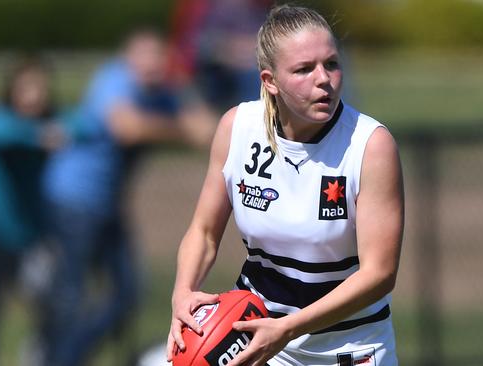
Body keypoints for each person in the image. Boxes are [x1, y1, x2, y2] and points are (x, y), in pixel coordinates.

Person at [167, 5, 404, 366]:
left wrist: (288, 329)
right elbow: (203, 232)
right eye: (304, 69)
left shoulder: (370, 144)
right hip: (256, 333)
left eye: (332, 64)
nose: (323, 79)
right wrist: (183, 294)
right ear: (269, 81)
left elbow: (379, 274)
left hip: (348, 347)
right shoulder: (238, 127)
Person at [40, 28, 215, 366]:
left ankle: (71, 352)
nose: (152, 64)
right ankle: (55, 356)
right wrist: (178, 126)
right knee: (71, 293)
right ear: (128, 57)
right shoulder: (115, 79)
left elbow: (207, 129)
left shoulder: (161, 92)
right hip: (73, 200)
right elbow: (127, 127)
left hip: (107, 206)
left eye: (159, 56)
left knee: (127, 293)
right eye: (144, 55)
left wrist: (181, 84)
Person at [0, 56, 60, 361]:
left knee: (50, 309)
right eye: (27, 88)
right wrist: (36, 135)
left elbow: (83, 124)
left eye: (39, 88)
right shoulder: (4, 121)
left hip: (33, 238)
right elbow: (0, 132)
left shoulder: (54, 122)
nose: (34, 95)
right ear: (13, 91)